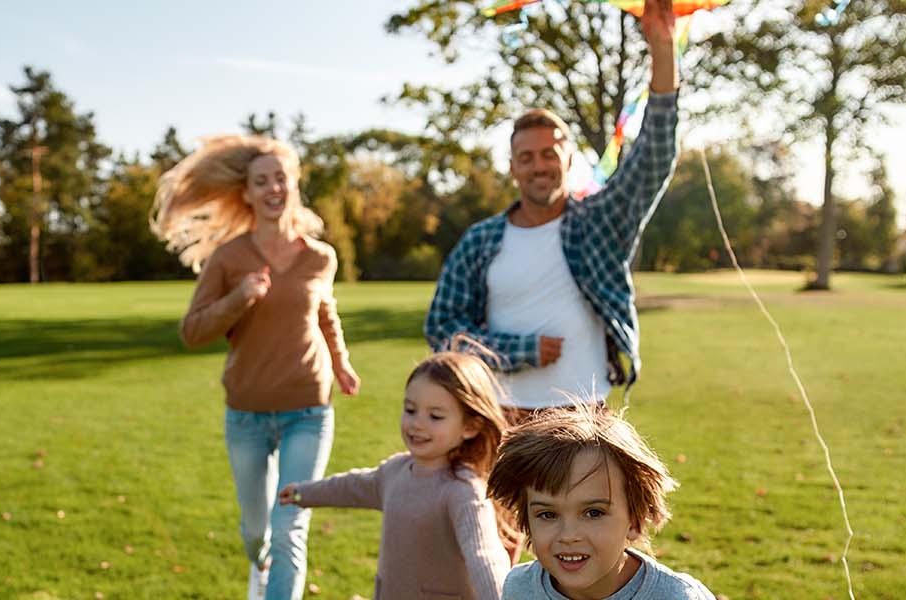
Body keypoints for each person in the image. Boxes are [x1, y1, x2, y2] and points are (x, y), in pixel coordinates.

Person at [424, 0, 684, 418]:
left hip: (583, 415)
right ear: (512, 168)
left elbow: (654, 154)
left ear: (568, 161)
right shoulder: (481, 240)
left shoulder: (600, 222)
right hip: (499, 414)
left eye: (550, 154)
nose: (539, 165)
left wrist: (662, 48)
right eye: (526, 157)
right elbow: (442, 327)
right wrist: (518, 351)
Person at [152, 134, 361, 600]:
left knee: (291, 528)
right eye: (260, 181)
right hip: (246, 415)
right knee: (256, 532)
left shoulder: (319, 256)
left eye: (280, 178)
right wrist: (238, 299)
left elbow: (325, 312)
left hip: (308, 409)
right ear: (245, 193)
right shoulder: (230, 258)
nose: (272, 188)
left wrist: (342, 364)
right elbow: (192, 331)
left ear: (295, 184)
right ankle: (259, 566)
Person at [278, 347, 514, 600]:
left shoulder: (463, 491)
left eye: (435, 416)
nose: (417, 424)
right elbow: (351, 487)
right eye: (411, 410)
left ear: (470, 427)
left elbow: (484, 556)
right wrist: (304, 493)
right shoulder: (395, 471)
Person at [488, 406, 715, 600]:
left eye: (593, 513)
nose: (568, 536)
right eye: (548, 514)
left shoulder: (677, 596)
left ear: (635, 521)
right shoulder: (519, 588)